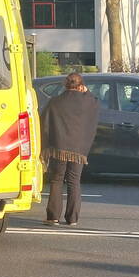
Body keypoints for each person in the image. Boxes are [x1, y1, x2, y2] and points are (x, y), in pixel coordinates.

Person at [41, 72, 100, 226]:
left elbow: (45, 124)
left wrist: (46, 146)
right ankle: (72, 218)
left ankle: (53, 217)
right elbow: (95, 102)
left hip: (58, 147)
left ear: (65, 85)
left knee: (56, 180)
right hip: (78, 150)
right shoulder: (87, 102)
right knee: (74, 181)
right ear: (81, 86)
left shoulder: (54, 102)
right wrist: (87, 92)